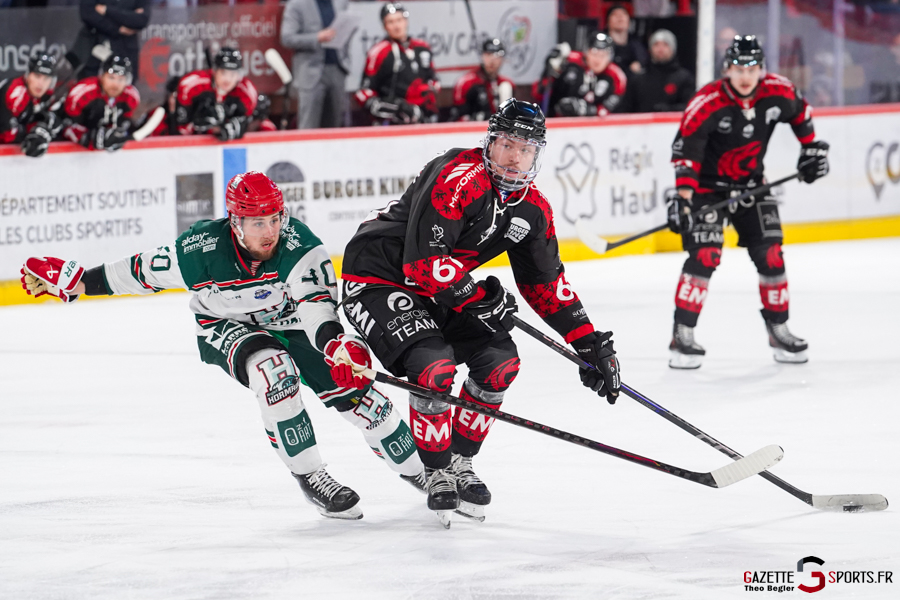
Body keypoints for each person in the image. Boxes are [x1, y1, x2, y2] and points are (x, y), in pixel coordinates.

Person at [19, 171, 425, 521]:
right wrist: (79, 283)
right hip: (225, 324)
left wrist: (336, 345)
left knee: (363, 398)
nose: (269, 231)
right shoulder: (201, 250)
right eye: (256, 222)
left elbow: (316, 308)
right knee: (273, 370)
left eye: (274, 219)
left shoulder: (302, 246)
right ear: (235, 222)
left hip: (293, 323)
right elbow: (138, 272)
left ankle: (422, 471)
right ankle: (310, 475)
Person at [339, 99, 622, 526]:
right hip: (378, 277)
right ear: (490, 142)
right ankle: (435, 470)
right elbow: (423, 263)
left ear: (537, 156)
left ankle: (458, 462)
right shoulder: (458, 176)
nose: (514, 157)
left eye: (525, 149)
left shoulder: (533, 210)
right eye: (507, 144)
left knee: (501, 364)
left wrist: (588, 342)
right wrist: (477, 296)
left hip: (441, 288)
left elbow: (545, 285)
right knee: (434, 369)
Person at [667, 35, 830, 369]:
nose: (746, 75)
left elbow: (802, 112)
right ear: (727, 68)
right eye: (739, 67)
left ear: (761, 69)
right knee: (704, 257)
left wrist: (811, 149)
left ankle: (779, 329)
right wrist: (684, 200)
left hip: (752, 187)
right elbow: (687, 152)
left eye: (753, 68)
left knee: (771, 256)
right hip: (706, 191)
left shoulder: (779, 91)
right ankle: (682, 334)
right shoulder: (707, 101)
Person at [355, 2, 439, 125]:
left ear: (406, 21)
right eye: (391, 22)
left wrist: (428, 92)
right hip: (394, 122)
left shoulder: (422, 48)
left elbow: (433, 79)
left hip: (424, 118)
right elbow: (364, 93)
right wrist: (393, 108)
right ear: (384, 26)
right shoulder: (378, 53)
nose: (396, 26)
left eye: (399, 20)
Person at [280, 0, 351, 129]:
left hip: (337, 70)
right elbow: (287, 38)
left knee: (335, 127)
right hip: (311, 73)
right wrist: (317, 37)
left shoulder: (341, 2)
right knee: (308, 126)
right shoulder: (297, 4)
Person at [174, 47, 258, 141]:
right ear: (214, 71)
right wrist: (199, 125)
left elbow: (248, 126)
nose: (228, 79)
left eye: (233, 74)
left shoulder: (246, 93)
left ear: (239, 75)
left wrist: (235, 127)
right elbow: (181, 128)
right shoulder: (192, 86)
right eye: (223, 72)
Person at [534, 33, 627, 117]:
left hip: (594, 129)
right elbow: (538, 93)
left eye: (603, 55)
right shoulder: (569, 62)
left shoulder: (616, 77)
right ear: (586, 52)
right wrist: (549, 71)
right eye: (594, 53)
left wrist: (588, 110)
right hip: (557, 122)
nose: (598, 59)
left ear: (610, 57)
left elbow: (610, 109)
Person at [60, 54, 139, 152]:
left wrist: (117, 136)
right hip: (74, 154)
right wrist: (88, 138)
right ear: (102, 76)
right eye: (111, 77)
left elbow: (124, 125)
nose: (115, 84)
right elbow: (66, 125)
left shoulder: (131, 97)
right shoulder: (82, 93)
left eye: (121, 79)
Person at [621, 29, 694, 113]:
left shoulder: (684, 78)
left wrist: (668, 110)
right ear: (650, 49)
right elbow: (625, 110)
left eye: (665, 45)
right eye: (656, 45)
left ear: (673, 49)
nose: (660, 49)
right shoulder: (637, 80)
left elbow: (690, 107)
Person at [1, 52, 59, 158]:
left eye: (46, 78)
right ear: (28, 75)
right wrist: (33, 131)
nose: (41, 84)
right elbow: (6, 134)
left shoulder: (44, 94)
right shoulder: (16, 94)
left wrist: (44, 125)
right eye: (37, 76)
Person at [76, 0, 150, 82]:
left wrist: (107, 10)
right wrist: (118, 29)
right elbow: (87, 13)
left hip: (126, 49)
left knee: (126, 86)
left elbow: (141, 20)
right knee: (90, 86)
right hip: (94, 48)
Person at [449, 38, 514, 122]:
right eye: (488, 55)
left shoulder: (507, 83)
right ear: (482, 56)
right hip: (471, 131)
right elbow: (458, 116)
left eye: (497, 56)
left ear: (503, 59)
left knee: (506, 87)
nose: (492, 60)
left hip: (498, 131)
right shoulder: (466, 83)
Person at [604, 4, 648, 77]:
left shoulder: (637, 46)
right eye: (615, 14)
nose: (620, 17)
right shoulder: (602, 44)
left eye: (624, 14)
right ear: (607, 22)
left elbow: (645, 63)